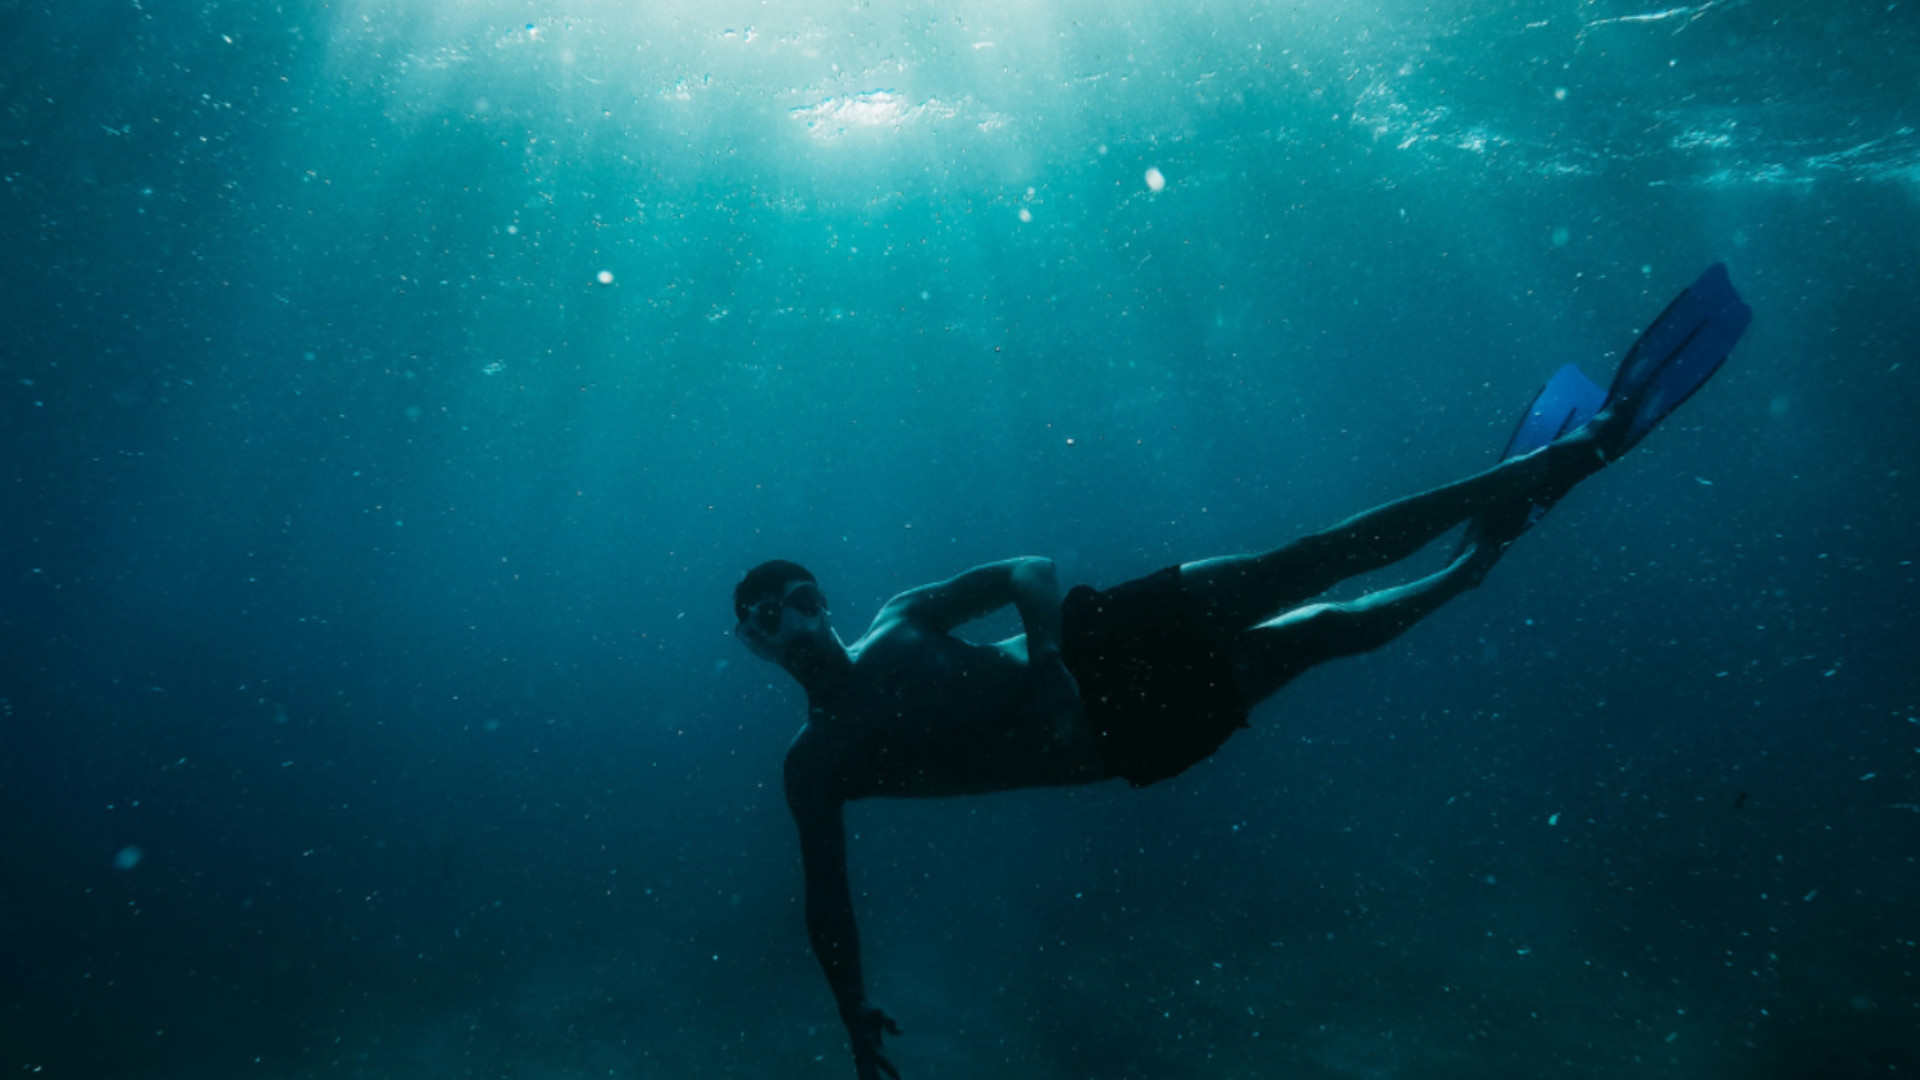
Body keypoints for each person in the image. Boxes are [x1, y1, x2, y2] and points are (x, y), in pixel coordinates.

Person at [732, 265, 1751, 1080]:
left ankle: (1554, 461)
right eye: (770, 619)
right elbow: (828, 898)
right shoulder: (816, 764)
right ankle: (1469, 568)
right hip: (1112, 739)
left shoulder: (901, 619)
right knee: (1325, 630)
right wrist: (851, 1009)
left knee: (1310, 557)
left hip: (1096, 640)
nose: (796, 620)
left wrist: (1046, 661)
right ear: (756, 645)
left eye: (803, 597)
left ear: (825, 598)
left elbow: (1029, 569)